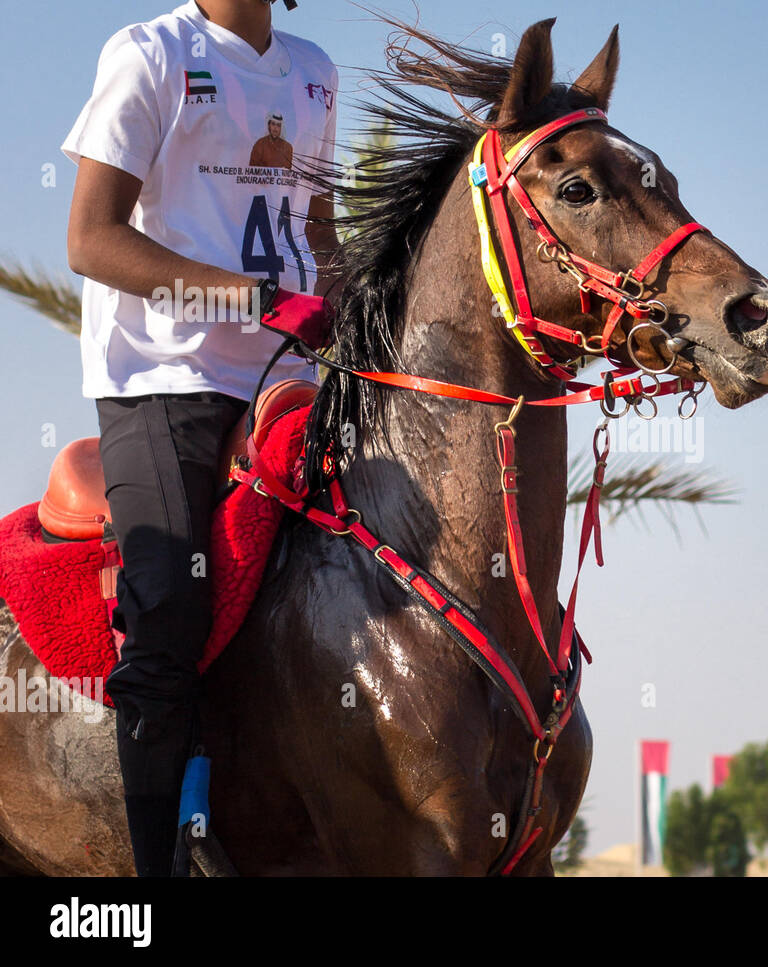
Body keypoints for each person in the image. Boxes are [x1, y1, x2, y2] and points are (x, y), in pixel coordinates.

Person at [62, 0, 339, 876]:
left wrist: (354, 315)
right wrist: (253, 298)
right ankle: (155, 878)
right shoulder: (149, 53)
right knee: (170, 602)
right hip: (162, 377)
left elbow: (319, 237)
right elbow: (89, 239)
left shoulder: (316, 71)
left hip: (286, 377)